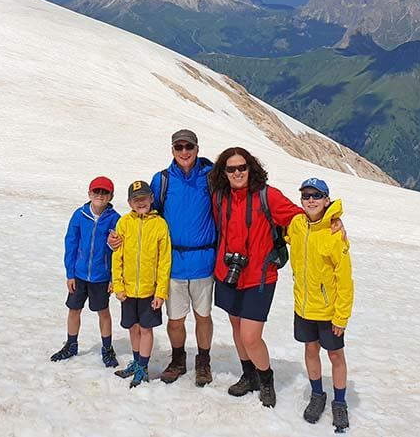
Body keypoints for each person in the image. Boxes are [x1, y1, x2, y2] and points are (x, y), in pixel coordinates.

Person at [208, 147, 305, 408]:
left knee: (250, 335)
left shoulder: (267, 196)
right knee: (237, 328)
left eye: (242, 167)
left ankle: (265, 379)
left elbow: (298, 217)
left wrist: (331, 220)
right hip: (227, 273)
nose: (237, 172)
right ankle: (248, 375)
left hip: (259, 277)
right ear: (223, 173)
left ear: (251, 168)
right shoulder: (220, 198)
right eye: (231, 169)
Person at [150, 129, 216, 386]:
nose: (184, 152)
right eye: (179, 147)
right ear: (172, 151)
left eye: (189, 147)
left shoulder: (211, 177)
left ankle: (203, 361)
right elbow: (148, 215)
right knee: (175, 319)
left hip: (203, 260)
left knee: (203, 316)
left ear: (197, 149)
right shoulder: (162, 180)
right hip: (173, 262)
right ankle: (178, 359)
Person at [287, 178, 353, 433]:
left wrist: (341, 316)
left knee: (336, 355)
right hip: (303, 307)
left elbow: (345, 280)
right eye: (306, 196)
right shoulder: (297, 224)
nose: (311, 200)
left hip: (328, 311)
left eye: (317, 195)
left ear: (327, 200)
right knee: (310, 350)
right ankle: (317, 394)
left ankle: (339, 401)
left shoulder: (335, 234)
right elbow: (284, 232)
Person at [50, 176, 120, 366]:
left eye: (104, 192)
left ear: (111, 196)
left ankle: (107, 348)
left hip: (101, 276)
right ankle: (71, 344)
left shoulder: (115, 219)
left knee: (103, 312)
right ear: (89, 193)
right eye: (96, 191)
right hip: (79, 274)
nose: (100, 195)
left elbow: (118, 251)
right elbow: (71, 244)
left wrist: (114, 277)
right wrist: (70, 273)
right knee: (74, 310)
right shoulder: (79, 215)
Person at [111, 180, 172, 388]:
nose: (140, 203)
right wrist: (118, 286)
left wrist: (160, 292)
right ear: (129, 202)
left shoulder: (159, 224)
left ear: (151, 198)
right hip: (128, 290)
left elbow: (164, 260)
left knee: (146, 329)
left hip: (149, 290)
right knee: (133, 327)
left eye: (144, 198)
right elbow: (116, 257)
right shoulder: (124, 223)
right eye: (136, 200)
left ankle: (143, 367)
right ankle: (136, 362)